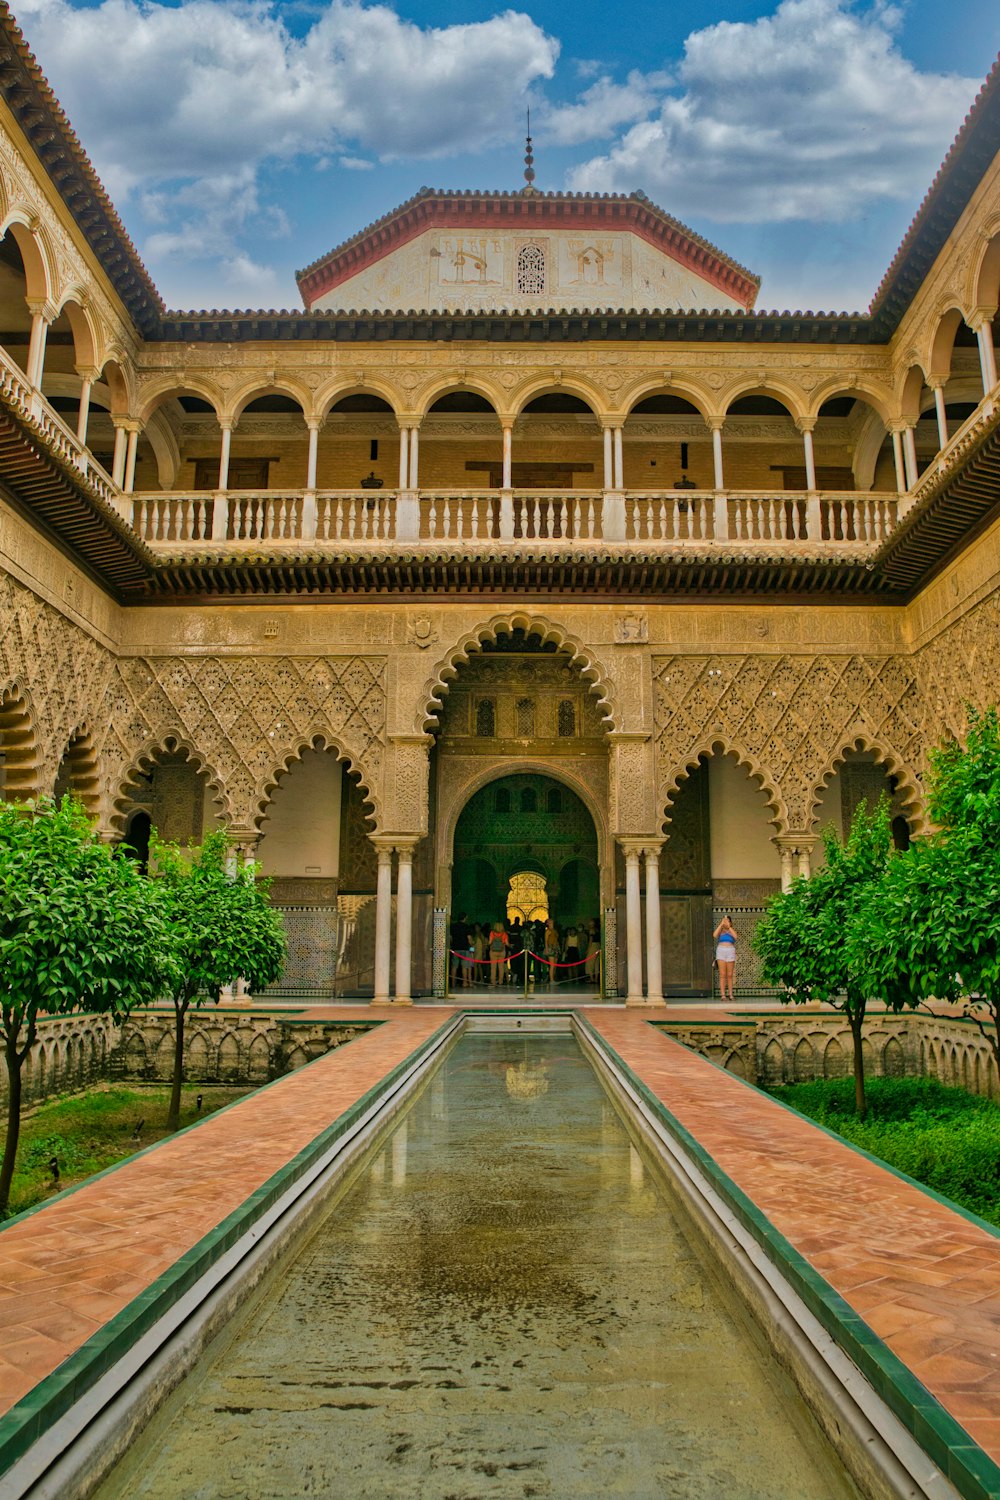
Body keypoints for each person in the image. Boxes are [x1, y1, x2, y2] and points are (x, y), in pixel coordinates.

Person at [713, 916, 737, 1002]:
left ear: (730, 922)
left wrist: (729, 927)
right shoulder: (720, 931)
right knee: (722, 974)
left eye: (727, 921)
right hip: (721, 951)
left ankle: (730, 994)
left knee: (730, 975)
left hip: (730, 950)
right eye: (724, 920)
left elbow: (736, 936)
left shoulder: (731, 930)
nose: (725, 922)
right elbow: (714, 935)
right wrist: (721, 925)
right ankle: (723, 995)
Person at [450, 912, 470, 989]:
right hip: (464, 948)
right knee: (464, 967)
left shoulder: (453, 926)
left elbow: (450, 938)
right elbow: (469, 938)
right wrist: (472, 943)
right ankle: (464, 982)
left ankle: (453, 983)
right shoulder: (466, 926)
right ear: (465, 918)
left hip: (455, 948)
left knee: (454, 966)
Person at [488, 919, 508, 987]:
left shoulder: (492, 933)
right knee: (501, 967)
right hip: (502, 951)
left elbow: (490, 942)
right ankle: (500, 981)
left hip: (493, 951)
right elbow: (507, 943)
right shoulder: (504, 933)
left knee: (493, 967)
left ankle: (493, 982)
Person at [543, 917, 560, 985]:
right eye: (549, 921)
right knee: (552, 965)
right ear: (547, 923)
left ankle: (552, 978)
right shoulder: (548, 931)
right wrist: (547, 949)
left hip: (556, 947)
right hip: (550, 947)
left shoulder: (555, 930)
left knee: (555, 965)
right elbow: (546, 941)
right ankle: (551, 980)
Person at [585, 918, 601, 984]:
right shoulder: (598, 930)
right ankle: (596, 979)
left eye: (590, 922)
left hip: (593, 946)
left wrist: (588, 949)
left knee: (589, 962)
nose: (589, 923)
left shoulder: (591, 930)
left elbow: (591, 940)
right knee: (596, 963)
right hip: (598, 946)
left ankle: (592, 978)